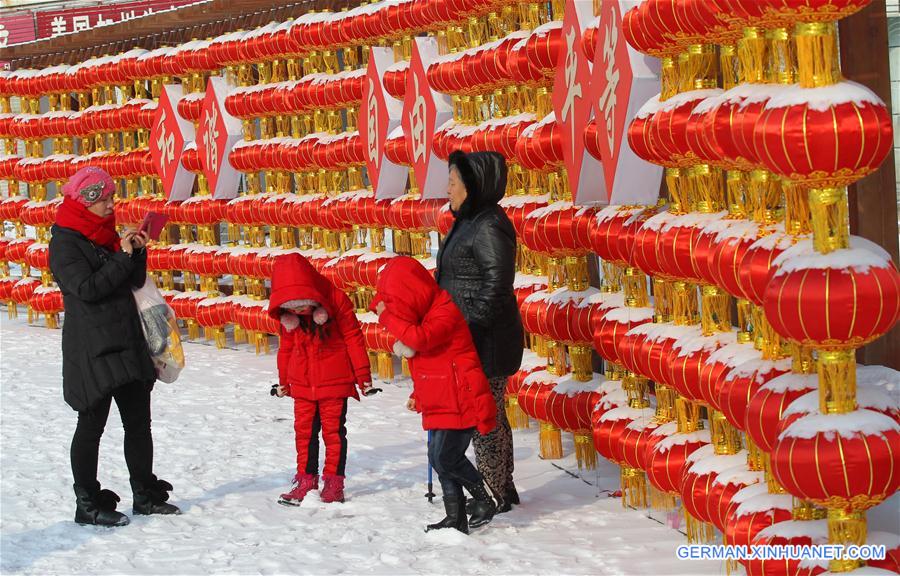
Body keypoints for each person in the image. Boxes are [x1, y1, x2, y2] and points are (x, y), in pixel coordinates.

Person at [49, 166, 180, 527]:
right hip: (93, 347)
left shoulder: (105, 235)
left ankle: (145, 494)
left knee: (139, 423)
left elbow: (132, 280)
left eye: (111, 196)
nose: (111, 204)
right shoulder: (65, 242)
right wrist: (122, 257)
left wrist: (136, 253)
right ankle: (87, 502)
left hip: (126, 340)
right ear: (86, 202)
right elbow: (88, 289)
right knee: (91, 425)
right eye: (105, 198)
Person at [373, 256, 497, 533]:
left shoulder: (444, 311)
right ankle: (455, 518)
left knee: (446, 457)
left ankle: (485, 499)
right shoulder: (425, 315)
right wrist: (419, 392)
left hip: (461, 396)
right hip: (440, 396)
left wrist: (387, 316)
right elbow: (431, 361)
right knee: (437, 457)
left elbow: (422, 340)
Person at [435, 150, 525, 513]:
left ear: (473, 185)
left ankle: (493, 490)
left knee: (482, 415)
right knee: (492, 415)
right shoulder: (468, 220)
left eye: (454, 182)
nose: (448, 189)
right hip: (467, 333)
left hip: (484, 338)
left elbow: (496, 285)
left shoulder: (488, 224)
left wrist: (469, 329)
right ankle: (503, 487)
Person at [268, 253, 373, 505]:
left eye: (302, 306)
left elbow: (353, 338)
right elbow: (286, 348)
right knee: (303, 433)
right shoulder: (290, 316)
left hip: (335, 381)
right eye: (292, 308)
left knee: (334, 434)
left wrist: (363, 376)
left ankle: (334, 483)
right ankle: (305, 480)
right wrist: (284, 381)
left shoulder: (336, 299)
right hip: (302, 383)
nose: (297, 312)